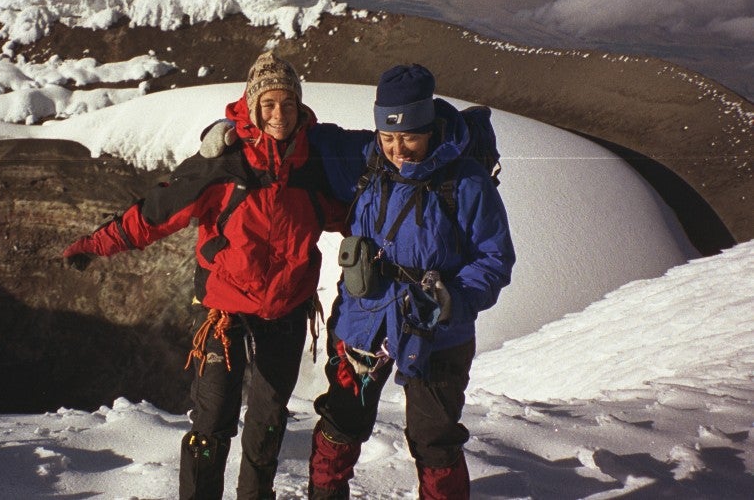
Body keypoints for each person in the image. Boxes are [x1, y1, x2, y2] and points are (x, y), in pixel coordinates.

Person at [62, 52, 347, 499]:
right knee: (212, 419)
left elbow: (356, 213)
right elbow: (156, 214)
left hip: (287, 307)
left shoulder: (313, 166)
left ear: (299, 106)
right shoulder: (224, 165)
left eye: (287, 103)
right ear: (252, 107)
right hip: (224, 309)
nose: (278, 114)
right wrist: (95, 245)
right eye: (268, 103)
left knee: (268, 418)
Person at [303, 64, 515, 499]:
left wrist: (454, 298)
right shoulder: (366, 159)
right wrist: (235, 127)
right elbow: (304, 136)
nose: (397, 149)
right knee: (342, 421)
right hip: (365, 319)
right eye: (388, 137)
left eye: (409, 137)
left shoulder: (466, 182)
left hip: (437, 329)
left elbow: (494, 258)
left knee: (434, 438)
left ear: (431, 127)